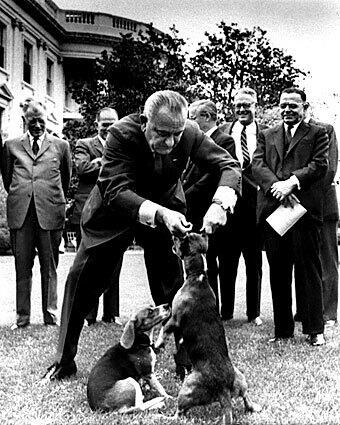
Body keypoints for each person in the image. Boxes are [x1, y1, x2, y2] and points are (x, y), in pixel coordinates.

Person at [44, 90, 242, 381]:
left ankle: (186, 362)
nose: (171, 142)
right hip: (114, 211)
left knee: (175, 287)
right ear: (144, 121)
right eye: (162, 133)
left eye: (176, 134)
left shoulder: (190, 132)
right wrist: (160, 213)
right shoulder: (121, 134)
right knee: (83, 280)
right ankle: (63, 361)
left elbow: (228, 165)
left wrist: (220, 204)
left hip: (168, 212)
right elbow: (114, 189)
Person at [252, 87, 329, 346]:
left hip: (304, 212)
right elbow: (258, 165)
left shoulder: (318, 133)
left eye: (293, 106)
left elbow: (320, 165)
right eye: (283, 105)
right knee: (279, 270)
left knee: (309, 270)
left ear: (304, 108)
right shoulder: (267, 134)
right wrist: (278, 187)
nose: (287, 110)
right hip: (274, 210)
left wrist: (292, 183)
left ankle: (314, 329)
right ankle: (283, 329)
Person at [1, 101, 72, 329]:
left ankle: (50, 317)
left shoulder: (61, 146)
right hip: (21, 214)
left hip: (50, 213)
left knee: (49, 266)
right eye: (33, 121)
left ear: (47, 121)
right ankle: (22, 318)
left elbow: (66, 179)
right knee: (22, 266)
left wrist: (49, 198)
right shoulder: (11, 145)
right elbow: (7, 177)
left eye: (42, 121)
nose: (38, 125)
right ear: (25, 121)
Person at [183, 99, 235, 312]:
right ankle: (199, 305)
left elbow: (214, 174)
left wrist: (186, 194)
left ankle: (216, 308)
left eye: (192, 117)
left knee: (212, 262)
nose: (188, 122)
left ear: (205, 117)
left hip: (211, 209)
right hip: (191, 210)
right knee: (197, 261)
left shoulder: (225, 140)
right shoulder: (188, 140)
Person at [71, 107, 121, 326]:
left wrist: (98, 163)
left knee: (114, 265)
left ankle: (112, 314)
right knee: (88, 266)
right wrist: (106, 161)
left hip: (115, 210)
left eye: (113, 123)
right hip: (89, 212)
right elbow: (82, 169)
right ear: (97, 124)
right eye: (105, 123)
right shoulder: (84, 144)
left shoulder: (123, 144)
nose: (109, 127)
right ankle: (88, 315)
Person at [219, 88, 265, 325]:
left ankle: (254, 313)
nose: (242, 110)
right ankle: (225, 312)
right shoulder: (224, 132)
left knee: (253, 262)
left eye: (247, 105)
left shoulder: (266, 134)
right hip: (230, 204)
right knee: (227, 261)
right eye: (238, 105)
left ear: (255, 106)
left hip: (255, 206)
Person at [294, 105, 338, 327]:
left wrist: (301, 192)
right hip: (295, 206)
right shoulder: (289, 132)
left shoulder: (325, 129)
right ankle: (305, 311)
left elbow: (328, 170)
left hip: (322, 204)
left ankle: (328, 313)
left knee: (327, 260)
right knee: (303, 261)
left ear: (305, 108)